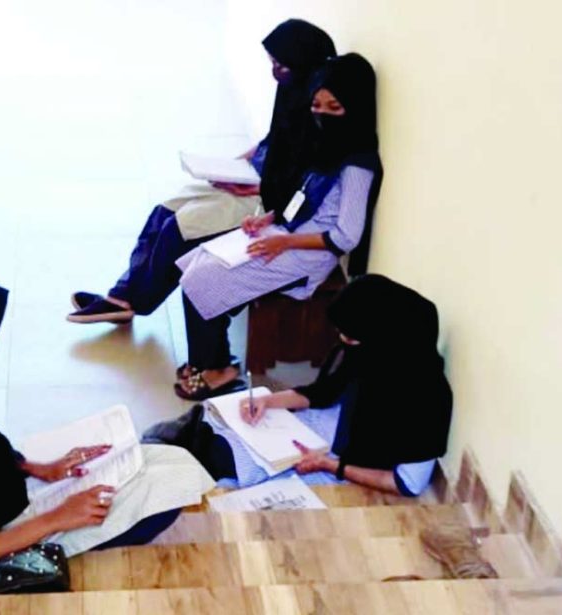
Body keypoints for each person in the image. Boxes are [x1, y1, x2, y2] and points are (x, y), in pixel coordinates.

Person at [0, 267, 213, 596]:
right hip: (3, 534)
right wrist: (60, 517)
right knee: (169, 489)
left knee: (169, 460)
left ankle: (181, 441)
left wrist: (39, 468)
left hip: (12, 497)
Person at [66, 19, 335, 325]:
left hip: (269, 201)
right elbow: (271, 141)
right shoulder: (291, 89)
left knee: (180, 227)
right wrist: (235, 166)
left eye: (281, 66)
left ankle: (134, 302)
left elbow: (308, 182)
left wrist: (257, 186)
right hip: (251, 179)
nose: (275, 73)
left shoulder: (318, 110)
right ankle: (121, 295)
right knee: (163, 211)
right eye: (272, 64)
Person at [174, 53, 383, 400]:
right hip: (286, 235)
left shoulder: (358, 165)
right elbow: (304, 196)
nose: (323, 115)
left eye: (335, 107)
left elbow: (347, 235)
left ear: (356, 107)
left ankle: (218, 369)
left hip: (308, 253)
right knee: (197, 262)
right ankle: (210, 357)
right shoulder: (327, 147)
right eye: (317, 104)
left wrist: (284, 243)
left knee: (203, 279)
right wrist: (269, 219)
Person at [143, 274, 453, 497]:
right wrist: (269, 402)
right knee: (206, 423)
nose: (344, 342)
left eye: (351, 336)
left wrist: (330, 466)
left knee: (212, 455)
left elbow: (407, 483)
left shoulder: (426, 397)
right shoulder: (372, 352)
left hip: (334, 457)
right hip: (315, 428)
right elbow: (323, 392)